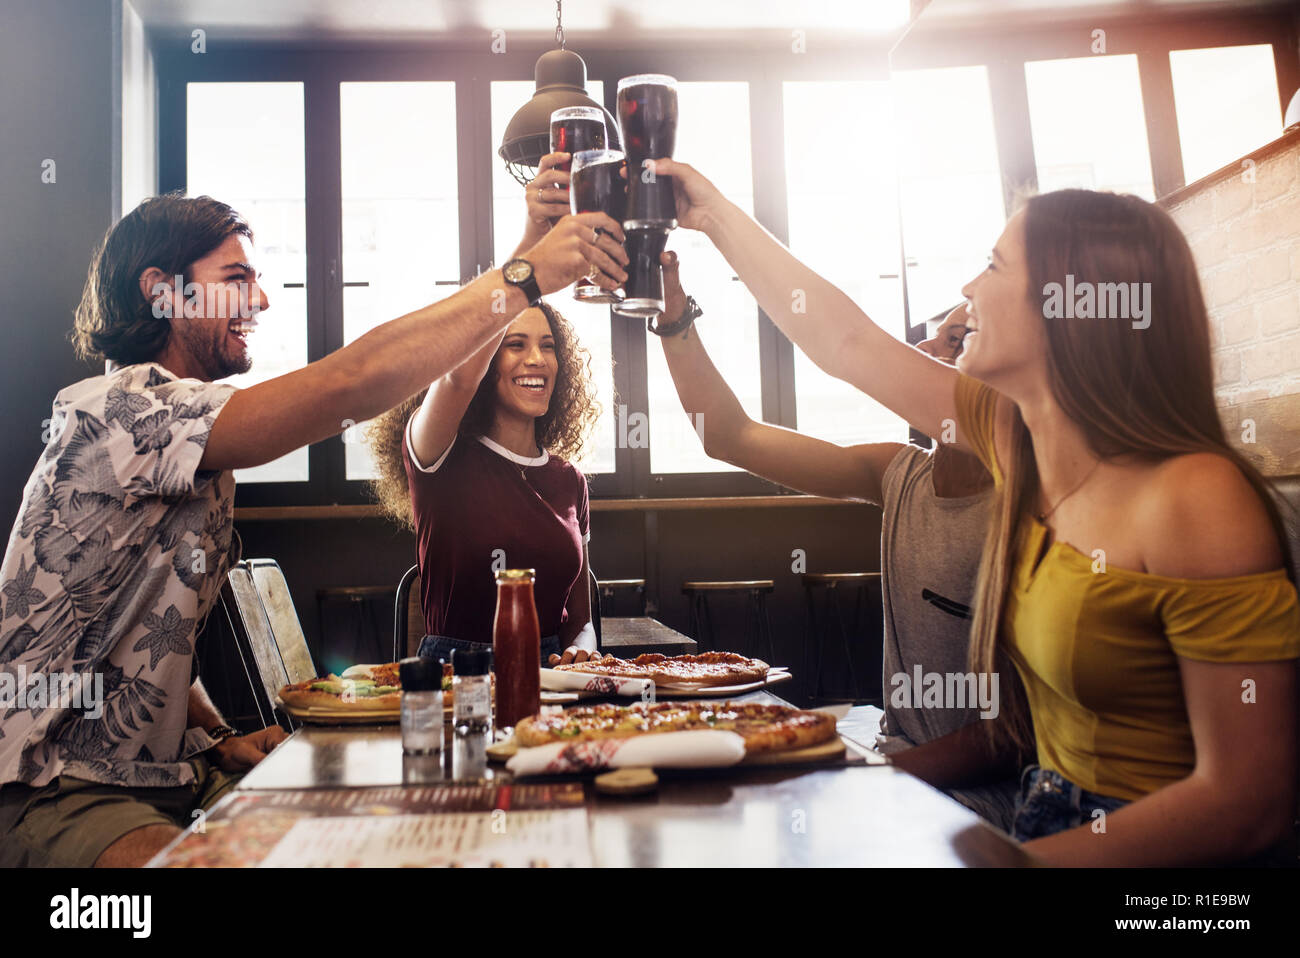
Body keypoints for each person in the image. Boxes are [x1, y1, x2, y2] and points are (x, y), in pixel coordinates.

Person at [650, 156, 1299, 866]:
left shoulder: (1194, 497)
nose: (965, 291)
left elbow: (1248, 803)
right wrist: (708, 212)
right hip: (1043, 815)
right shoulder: (1017, 442)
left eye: (992, 267)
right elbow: (844, 342)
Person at [0, 190, 627, 867]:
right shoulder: (121, 413)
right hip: (61, 784)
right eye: (236, 279)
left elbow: (147, 632)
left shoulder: (181, 431)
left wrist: (214, 735)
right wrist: (527, 275)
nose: (262, 300)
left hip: (170, 774)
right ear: (163, 294)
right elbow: (351, 383)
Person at [650, 252, 1017, 829]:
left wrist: (867, 778)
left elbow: (1013, 737)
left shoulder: (1028, 506)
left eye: (954, 341)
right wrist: (673, 321)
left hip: (981, 802)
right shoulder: (897, 472)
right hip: (896, 766)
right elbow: (728, 435)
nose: (924, 354)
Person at [369, 153, 605, 668]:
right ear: (487, 360)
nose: (537, 359)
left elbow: (580, 619)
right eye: (515, 344)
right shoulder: (439, 456)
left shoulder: (570, 482)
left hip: (551, 682)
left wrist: (582, 656)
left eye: (548, 346)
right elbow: (456, 375)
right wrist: (530, 248)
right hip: (457, 679)